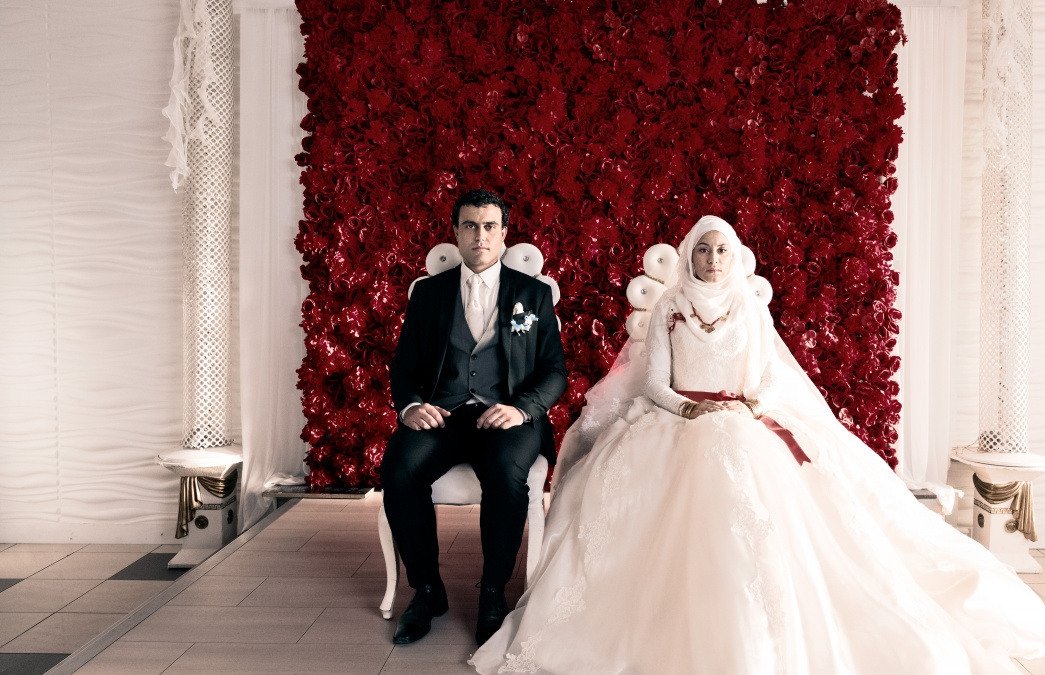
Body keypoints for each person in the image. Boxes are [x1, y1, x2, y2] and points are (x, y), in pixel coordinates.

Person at [471, 216, 1045, 673]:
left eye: (722, 250)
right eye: (703, 250)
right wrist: (689, 409)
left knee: (769, 502)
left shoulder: (750, 307)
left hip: (740, 417)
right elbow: (654, 382)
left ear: (735, 256)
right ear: (689, 256)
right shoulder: (671, 307)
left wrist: (745, 406)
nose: (712, 259)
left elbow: (768, 376)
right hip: (676, 418)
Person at [381, 188, 567, 646]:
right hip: (443, 415)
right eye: (470, 226)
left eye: (489, 226)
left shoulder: (534, 294)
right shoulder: (428, 293)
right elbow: (404, 366)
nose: (479, 236)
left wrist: (522, 409)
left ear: (503, 234)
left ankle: (492, 593)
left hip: (508, 416)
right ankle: (427, 591)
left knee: (506, 474)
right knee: (400, 469)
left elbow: (554, 371)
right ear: (456, 233)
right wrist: (411, 406)